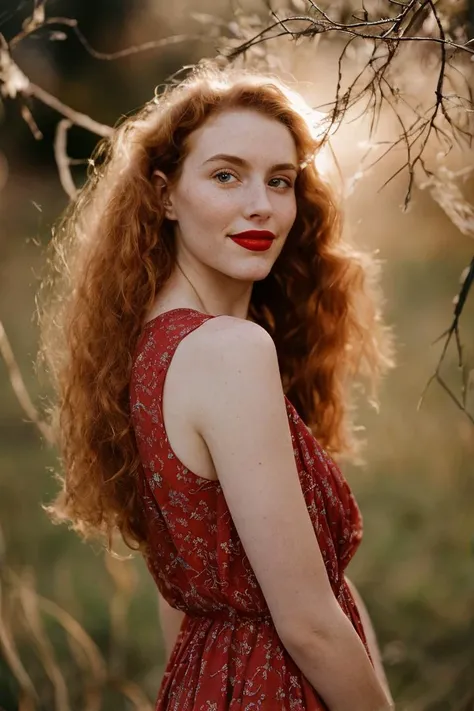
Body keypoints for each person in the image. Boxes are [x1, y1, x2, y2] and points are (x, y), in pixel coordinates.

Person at [38, 61, 395, 710]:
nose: (260, 203)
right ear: (165, 194)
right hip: (277, 689)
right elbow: (311, 624)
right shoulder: (229, 351)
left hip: (206, 685)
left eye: (279, 180)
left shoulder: (147, 347)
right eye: (226, 174)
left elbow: (180, 599)